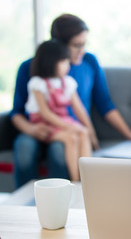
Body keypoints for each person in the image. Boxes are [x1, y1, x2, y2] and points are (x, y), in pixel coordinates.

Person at [11, 14, 131, 187]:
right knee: (24, 148)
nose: (82, 51)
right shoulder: (30, 67)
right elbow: (16, 112)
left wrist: (128, 133)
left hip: (69, 129)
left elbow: (104, 103)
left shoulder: (88, 62)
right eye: (76, 46)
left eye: (84, 44)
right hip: (36, 127)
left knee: (59, 151)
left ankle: (68, 197)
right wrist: (31, 129)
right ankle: (23, 204)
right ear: (59, 46)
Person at [26, 39, 97, 181]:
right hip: (45, 123)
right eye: (64, 62)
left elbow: (79, 109)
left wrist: (90, 132)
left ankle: (88, 179)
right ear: (50, 62)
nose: (67, 65)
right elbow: (45, 113)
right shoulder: (38, 83)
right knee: (71, 137)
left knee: (83, 133)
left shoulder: (68, 82)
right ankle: (76, 180)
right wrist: (69, 127)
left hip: (62, 121)